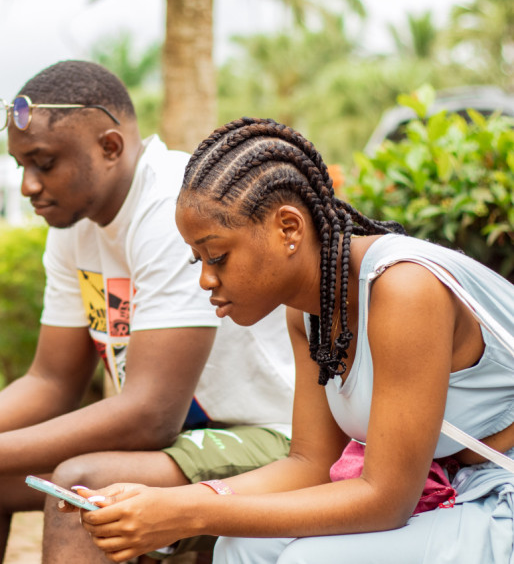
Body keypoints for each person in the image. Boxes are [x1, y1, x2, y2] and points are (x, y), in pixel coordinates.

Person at [0, 63, 295, 563]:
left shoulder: (172, 206)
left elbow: (151, 415)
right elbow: (50, 381)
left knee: (79, 486)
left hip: (270, 436)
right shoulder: (73, 230)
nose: (27, 186)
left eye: (44, 162)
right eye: (20, 167)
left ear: (110, 147)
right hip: (187, 440)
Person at [71, 116, 514, 564]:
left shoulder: (404, 289)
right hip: (461, 489)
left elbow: (385, 500)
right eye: (198, 260)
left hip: (502, 498)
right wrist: (175, 499)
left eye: (218, 256)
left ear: (288, 228)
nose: (206, 279)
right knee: (241, 545)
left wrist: (193, 512)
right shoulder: (308, 315)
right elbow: (310, 465)